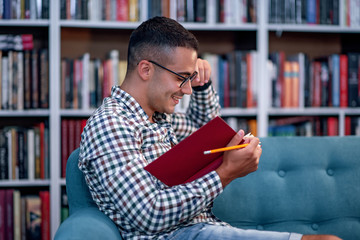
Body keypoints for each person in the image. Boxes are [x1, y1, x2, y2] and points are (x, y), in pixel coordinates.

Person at [79, 16, 341, 240]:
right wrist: (225, 173)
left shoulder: (157, 116)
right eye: (182, 78)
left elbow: (204, 131)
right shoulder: (111, 123)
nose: (187, 90)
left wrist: (203, 84)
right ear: (146, 69)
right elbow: (149, 213)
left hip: (202, 229)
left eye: (190, 79)